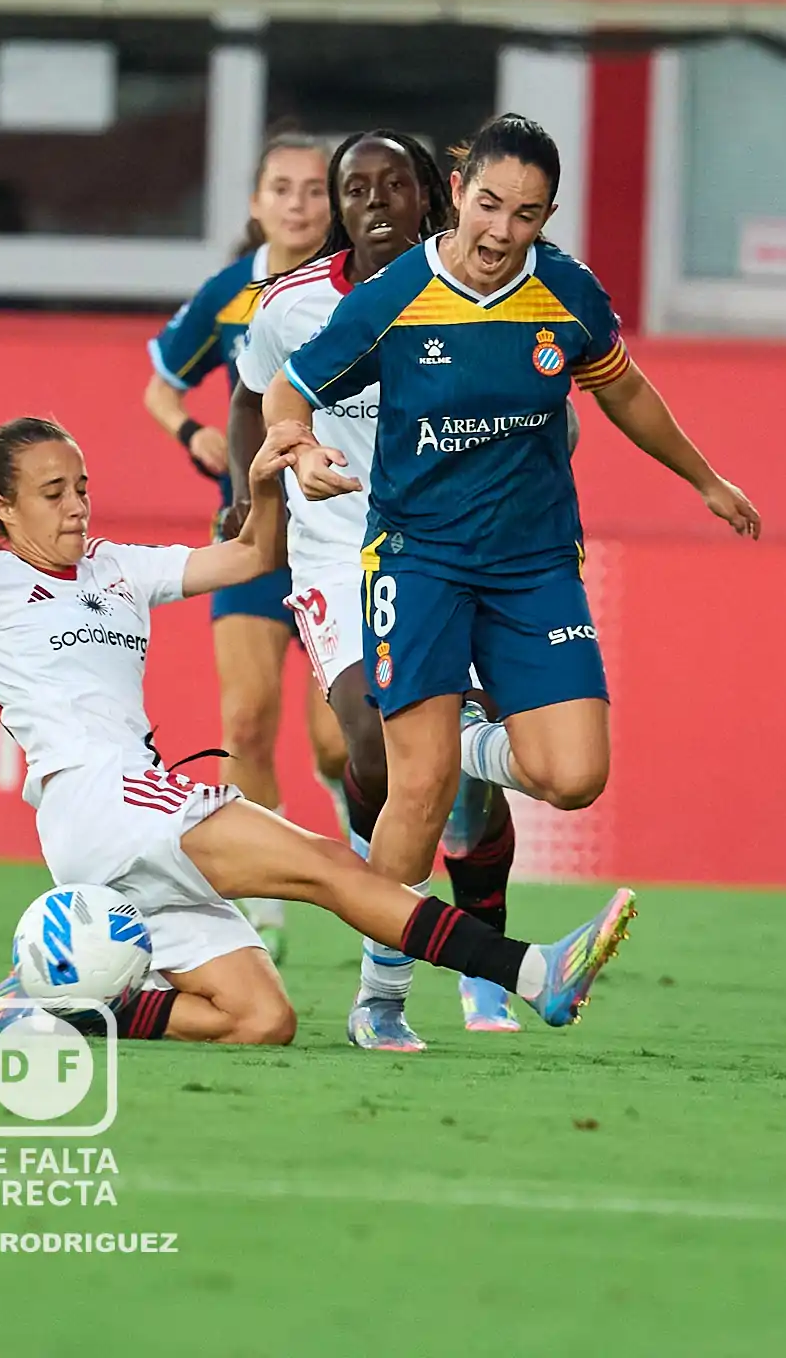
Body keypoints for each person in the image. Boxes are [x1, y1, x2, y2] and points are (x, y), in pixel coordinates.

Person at [0, 414, 637, 1046]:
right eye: (53, 494)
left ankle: (44, 1007)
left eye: (84, 488)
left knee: (260, 1020)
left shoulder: (115, 568)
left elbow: (248, 561)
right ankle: (531, 974)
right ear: (0, 509)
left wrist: (264, 485)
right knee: (330, 864)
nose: (76, 508)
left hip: (130, 823)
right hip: (104, 802)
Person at [268, 113, 759, 927]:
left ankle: (457, 741)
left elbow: (623, 387)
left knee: (575, 777)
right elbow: (290, 388)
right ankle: (382, 988)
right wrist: (300, 447)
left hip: (533, 564)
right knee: (417, 790)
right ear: (458, 191)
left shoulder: (566, 291)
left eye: (525, 214)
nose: (501, 231)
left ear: (548, 217)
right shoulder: (398, 295)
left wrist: (703, 478)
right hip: (419, 557)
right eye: (489, 205)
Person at [230, 130, 527, 1049]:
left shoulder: (480, 294)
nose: (375, 203)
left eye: (394, 185)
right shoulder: (291, 305)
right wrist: (253, 491)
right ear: (338, 205)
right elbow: (251, 398)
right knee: (375, 744)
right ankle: (389, 948)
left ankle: (482, 967)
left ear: (429, 196)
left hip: (452, 548)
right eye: (356, 188)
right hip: (334, 555)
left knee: (455, 787)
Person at [139, 131, 351, 963]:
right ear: (256, 202)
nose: (298, 204)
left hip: (341, 537)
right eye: (282, 188)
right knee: (246, 720)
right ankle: (263, 909)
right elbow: (161, 387)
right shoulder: (231, 293)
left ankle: (356, 827)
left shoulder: (361, 288)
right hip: (254, 536)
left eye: (314, 189)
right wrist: (190, 432)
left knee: (339, 740)